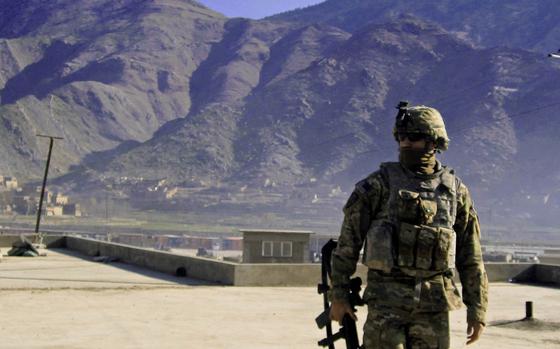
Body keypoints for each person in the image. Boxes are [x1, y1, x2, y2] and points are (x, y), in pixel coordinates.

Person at [329, 102, 488, 348]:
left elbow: (471, 256)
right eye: (401, 137)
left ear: (433, 142)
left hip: (434, 308)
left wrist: (477, 308)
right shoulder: (378, 186)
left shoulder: (455, 192)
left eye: (413, 138)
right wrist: (338, 295)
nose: (405, 144)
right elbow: (348, 245)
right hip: (386, 307)